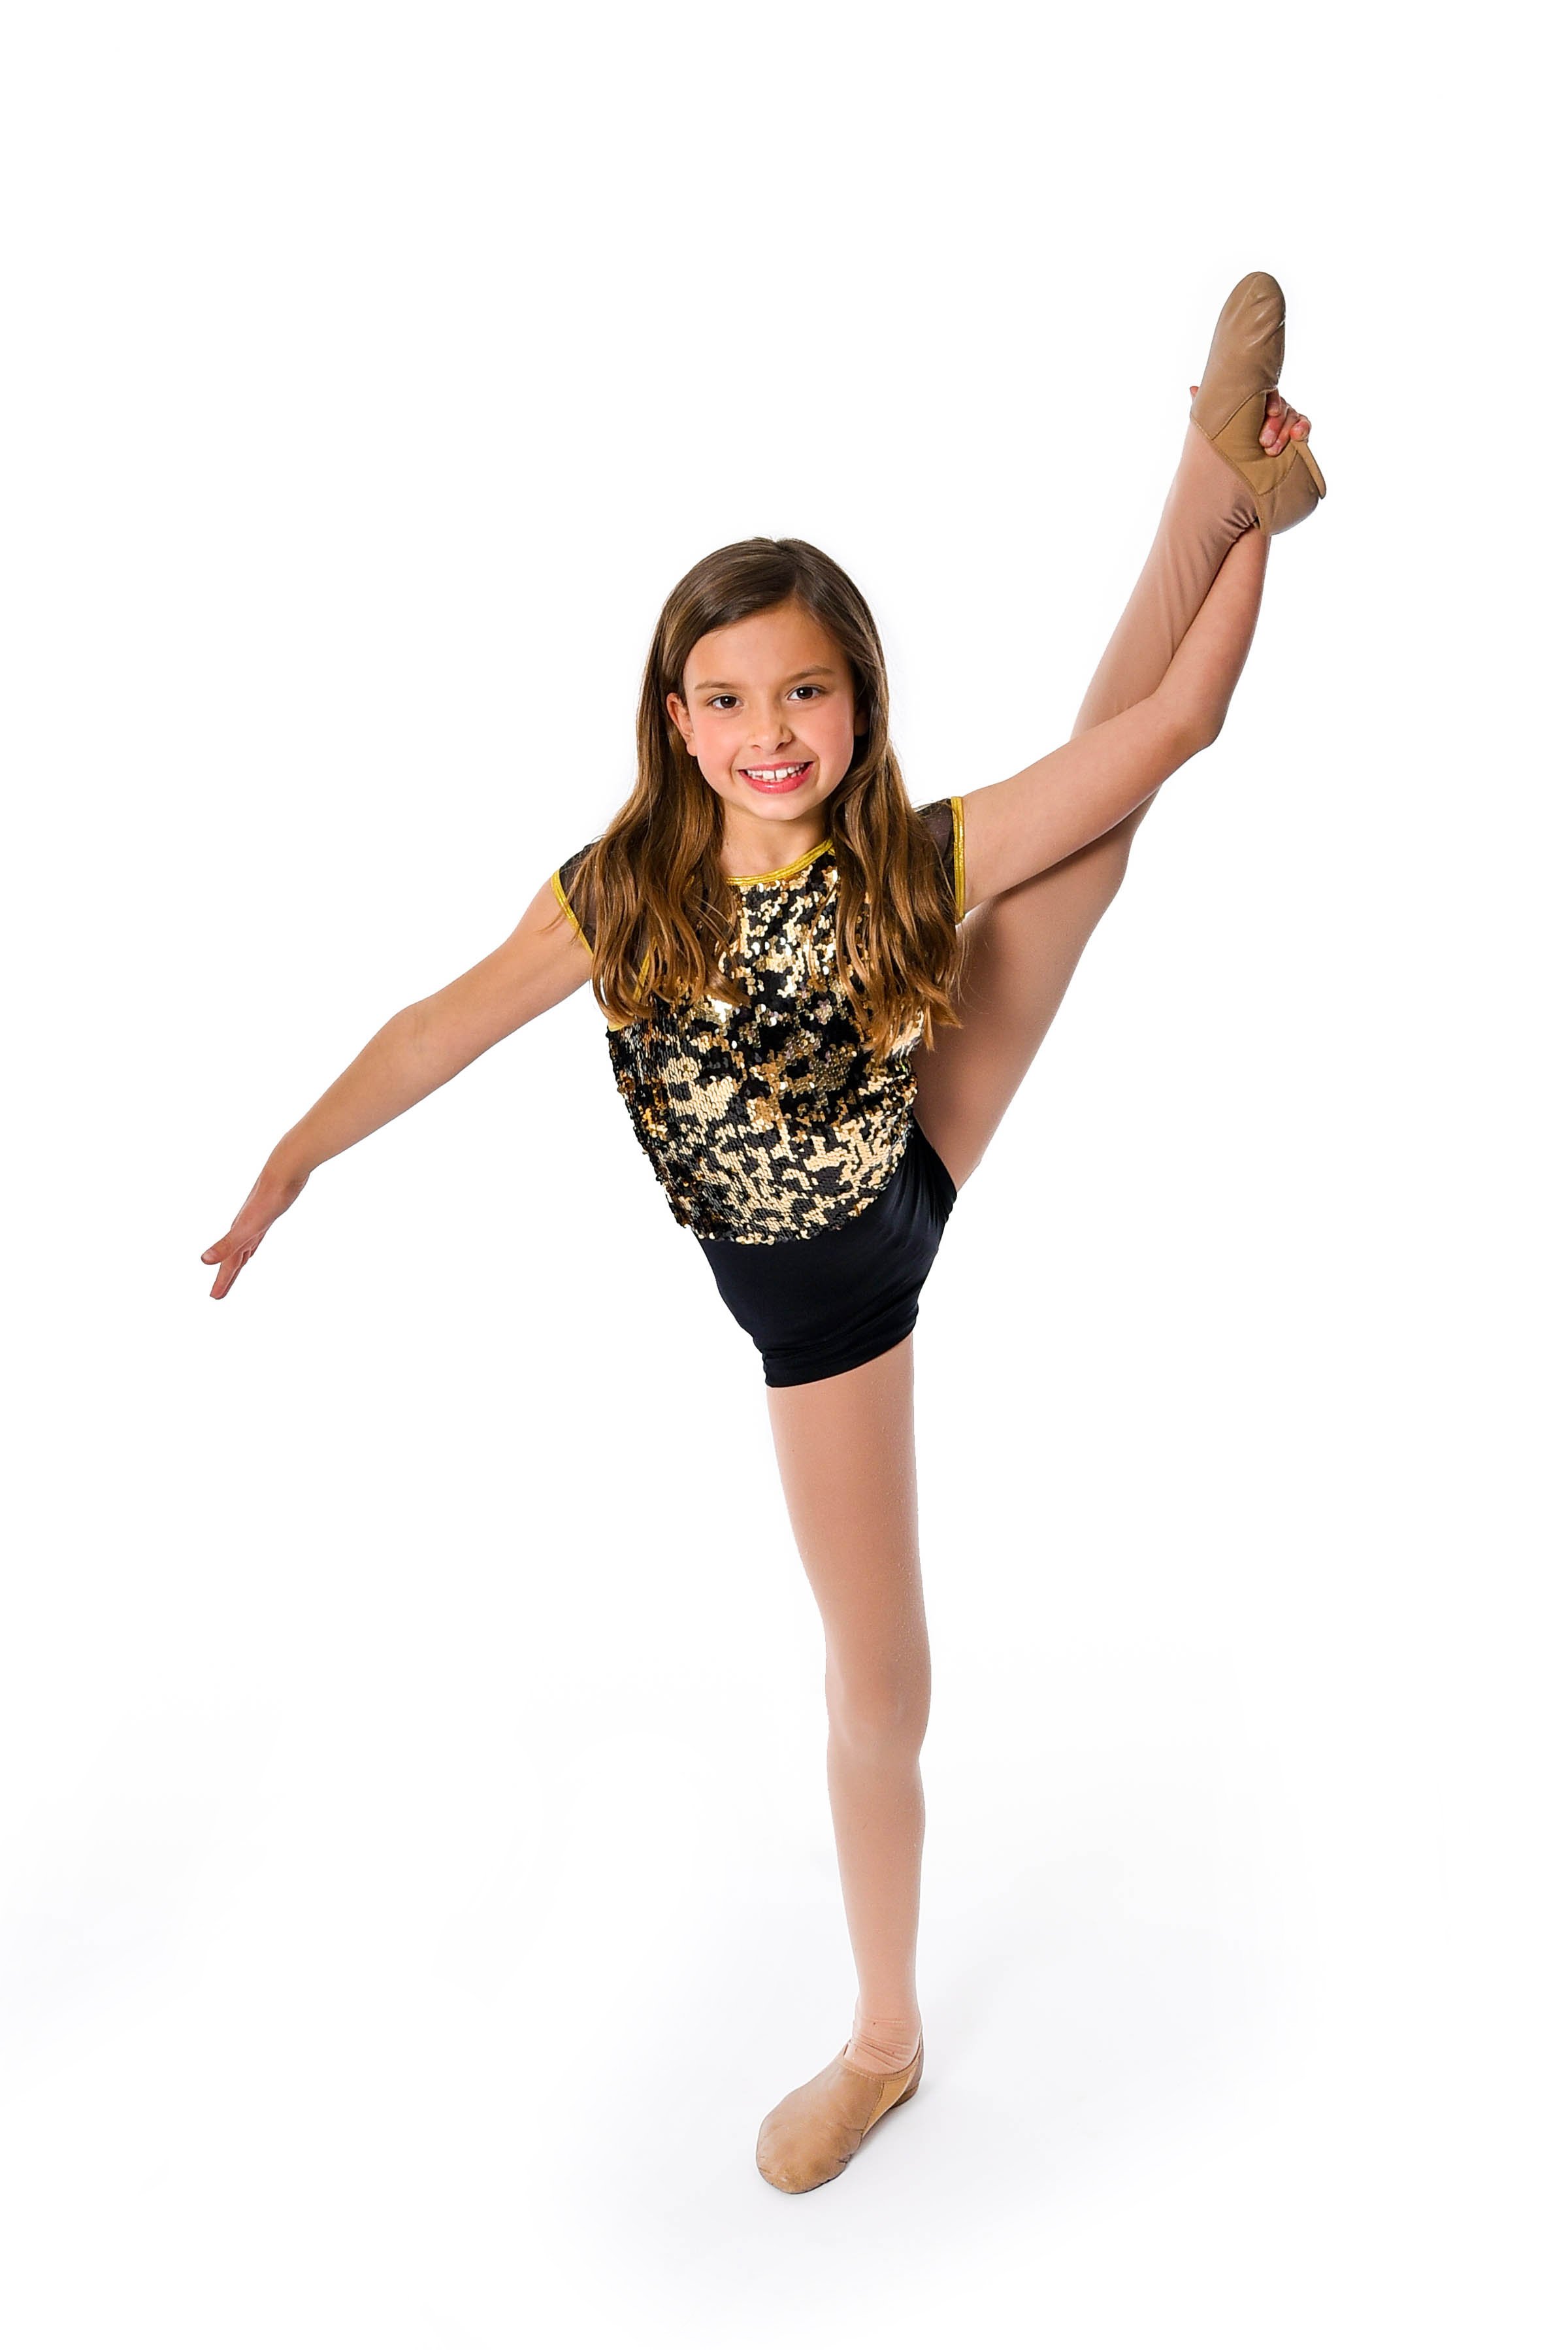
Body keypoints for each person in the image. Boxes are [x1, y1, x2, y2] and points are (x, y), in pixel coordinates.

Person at [201, 272, 1324, 2194]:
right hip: (867, 1179)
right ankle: (1211, 474)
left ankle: (881, 2039)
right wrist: (298, 1153)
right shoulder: (624, 885)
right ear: (675, 715)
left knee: (877, 1684)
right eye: (727, 697)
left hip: (848, 1288)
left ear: (857, 702)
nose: (768, 727)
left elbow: (1183, 726)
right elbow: (438, 1025)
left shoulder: (908, 852)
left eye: (805, 688)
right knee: (1099, 812)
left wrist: (1275, 544)